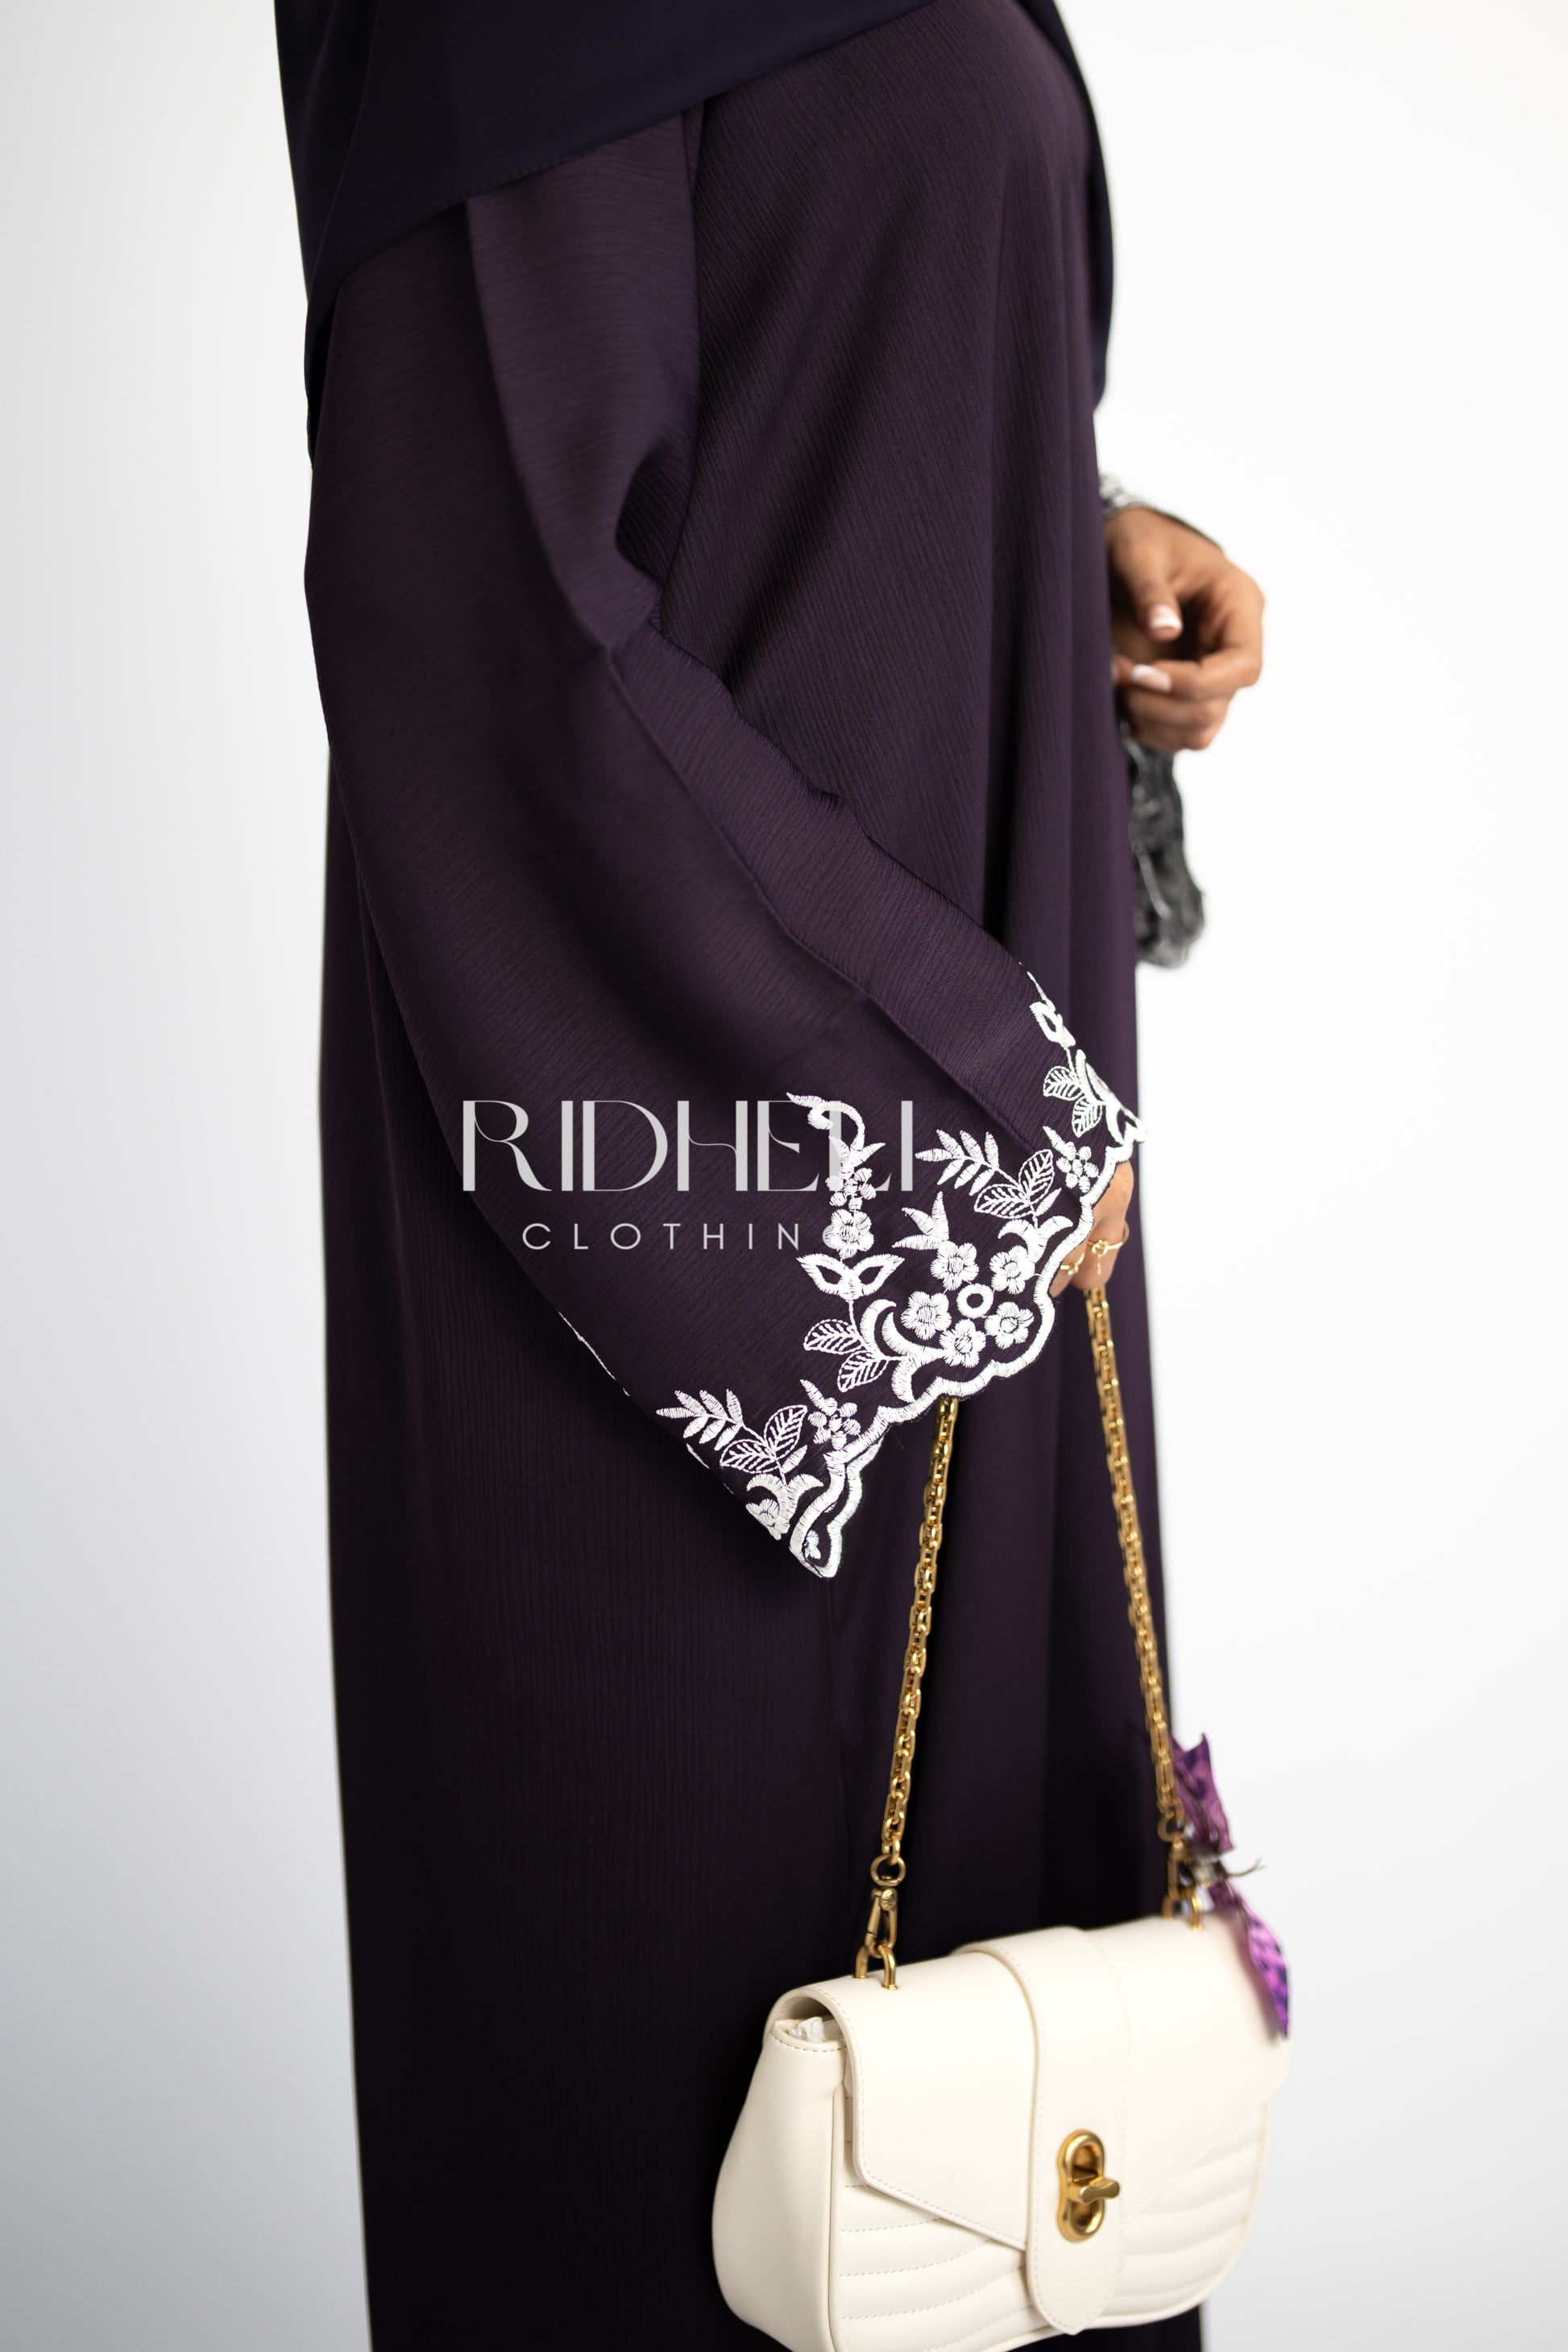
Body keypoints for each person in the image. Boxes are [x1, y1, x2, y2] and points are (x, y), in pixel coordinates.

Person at [276, 2, 1265, 2343]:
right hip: (700, 1212)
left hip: (965, 1154)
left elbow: (799, 344)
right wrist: (946, 1108)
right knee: (699, 2145)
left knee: (1018, 2127)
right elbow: (483, 598)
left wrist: (1045, 529)